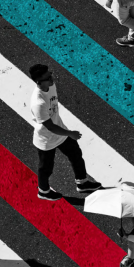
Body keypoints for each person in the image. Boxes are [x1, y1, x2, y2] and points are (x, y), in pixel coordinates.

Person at [29, 63, 101, 201]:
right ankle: (43, 191)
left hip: (60, 130)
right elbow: (50, 127)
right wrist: (70, 133)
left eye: (50, 74)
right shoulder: (38, 103)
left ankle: (82, 183)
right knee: (46, 168)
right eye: (48, 77)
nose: (52, 78)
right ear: (39, 81)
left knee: (76, 154)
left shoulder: (50, 86)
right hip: (47, 139)